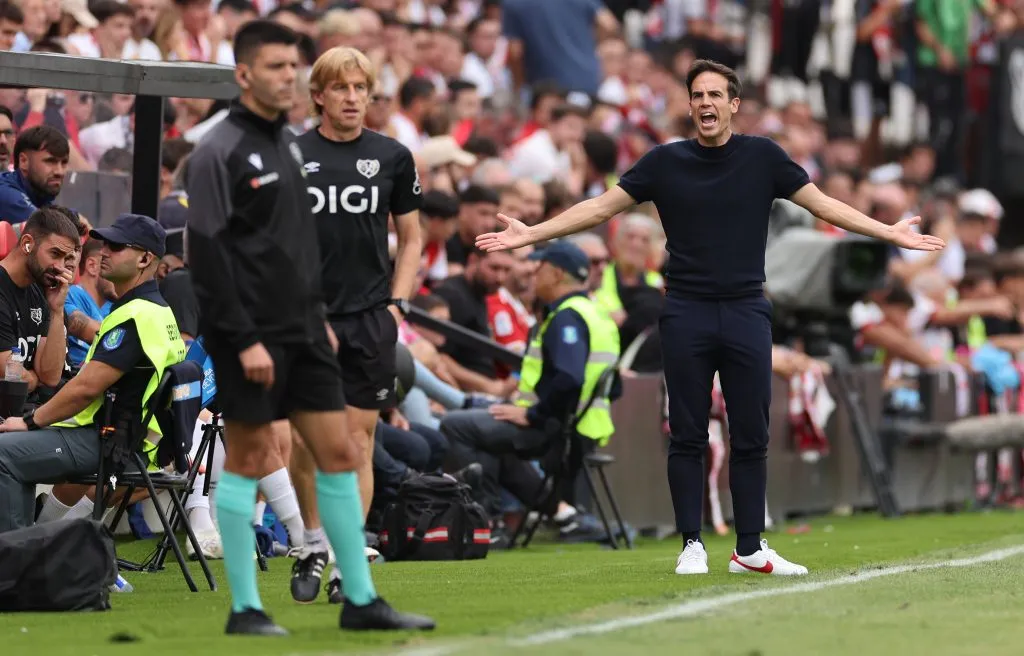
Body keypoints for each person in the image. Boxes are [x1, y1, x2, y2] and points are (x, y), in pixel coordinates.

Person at [476, 59, 945, 577]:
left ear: (733, 104)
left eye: (715, 95)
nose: (705, 103)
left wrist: (889, 233)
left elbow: (825, 207)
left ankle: (750, 548)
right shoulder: (664, 162)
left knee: (751, 432)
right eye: (697, 95)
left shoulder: (763, 156)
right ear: (690, 105)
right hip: (686, 311)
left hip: (746, 309)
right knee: (687, 432)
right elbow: (600, 208)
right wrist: (533, 234)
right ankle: (692, 544)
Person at [185, 20, 433, 635]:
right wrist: (243, 337)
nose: (287, 78)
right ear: (244, 74)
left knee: (343, 450)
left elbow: (293, 247)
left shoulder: (284, 146)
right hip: (253, 334)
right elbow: (210, 256)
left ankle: (359, 593)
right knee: (250, 457)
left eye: (291, 68)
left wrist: (320, 315)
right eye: (276, 68)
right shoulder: (219, 150)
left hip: (312, 328)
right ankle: (246, 607)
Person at [291, 45, 423, 603]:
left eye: (360, 88)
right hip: (305, 318)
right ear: (318, 94)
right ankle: (313, 542)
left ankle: (347, 559)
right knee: (304, 439)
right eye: (340, 88)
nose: (351, 98)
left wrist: (397, 303)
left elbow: (412, 237)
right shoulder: (290, 153)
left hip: (370, 319)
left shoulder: (392, 156)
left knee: (356, 442)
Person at [0, 213, 183, 533]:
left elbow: (79, 385)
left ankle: (19, 562)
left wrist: (31, 422)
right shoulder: (155, 310)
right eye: (105, 244)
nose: (104, 252)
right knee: (16, 454)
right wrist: (57, 311)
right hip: (127, 439)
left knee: (5, 454)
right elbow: (51, 377)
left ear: (144, 258)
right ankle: (31, 553)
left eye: (116, 246)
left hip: (108, 439)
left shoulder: (136, 314)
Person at [441, 241, 620, 544]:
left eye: (539, 269)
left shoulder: (567, 318)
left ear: (556, 274)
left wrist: (534, 414)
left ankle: (484, 523)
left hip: (557, 430)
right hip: (580, 427)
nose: (533, 276)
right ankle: (559, 514)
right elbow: (615, 387)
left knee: (455, 425)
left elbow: (569, 378)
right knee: (487, 434)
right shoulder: (596, 313)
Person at [0, 206, 79, 407]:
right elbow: (8, 374)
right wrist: (34, 380)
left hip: (27, 412)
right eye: (55, 254)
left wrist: (56, 310)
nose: (61, 267)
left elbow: (50, 376)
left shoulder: (41, 290)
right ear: (27, 244)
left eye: (65, 258)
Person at [0, 126, 68, 224]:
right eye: (50, 161)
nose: (59, 172)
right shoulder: (5, 193)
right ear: (23, 161)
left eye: (64, 163)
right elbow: (49, 229)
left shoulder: (39, 196)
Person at [65, 238, 116, 368]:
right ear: (92, 266)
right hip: (75, 377)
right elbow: (95, 333)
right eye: (112, 264)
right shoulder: (70, 294)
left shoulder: (113, 305)